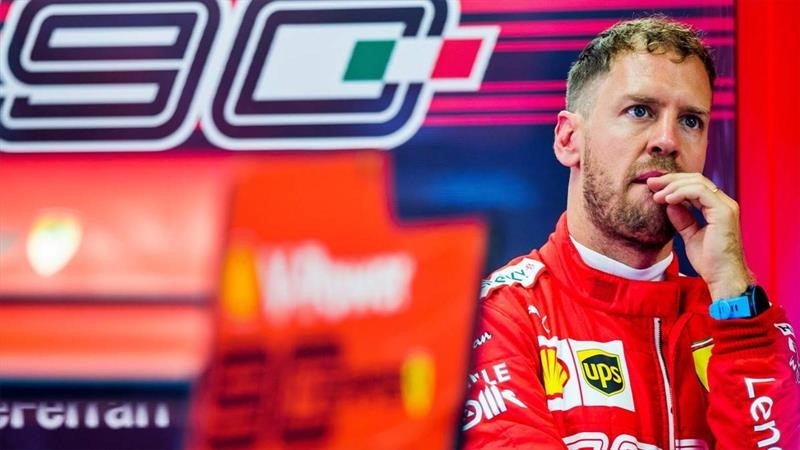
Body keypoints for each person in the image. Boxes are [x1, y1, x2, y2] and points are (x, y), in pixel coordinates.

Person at [460, 15, 800, 449]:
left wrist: (735, 298)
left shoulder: (739, 320)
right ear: (569, 140)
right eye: (640, 111)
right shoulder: (499, 317)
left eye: (690, 121)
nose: (667, 140)